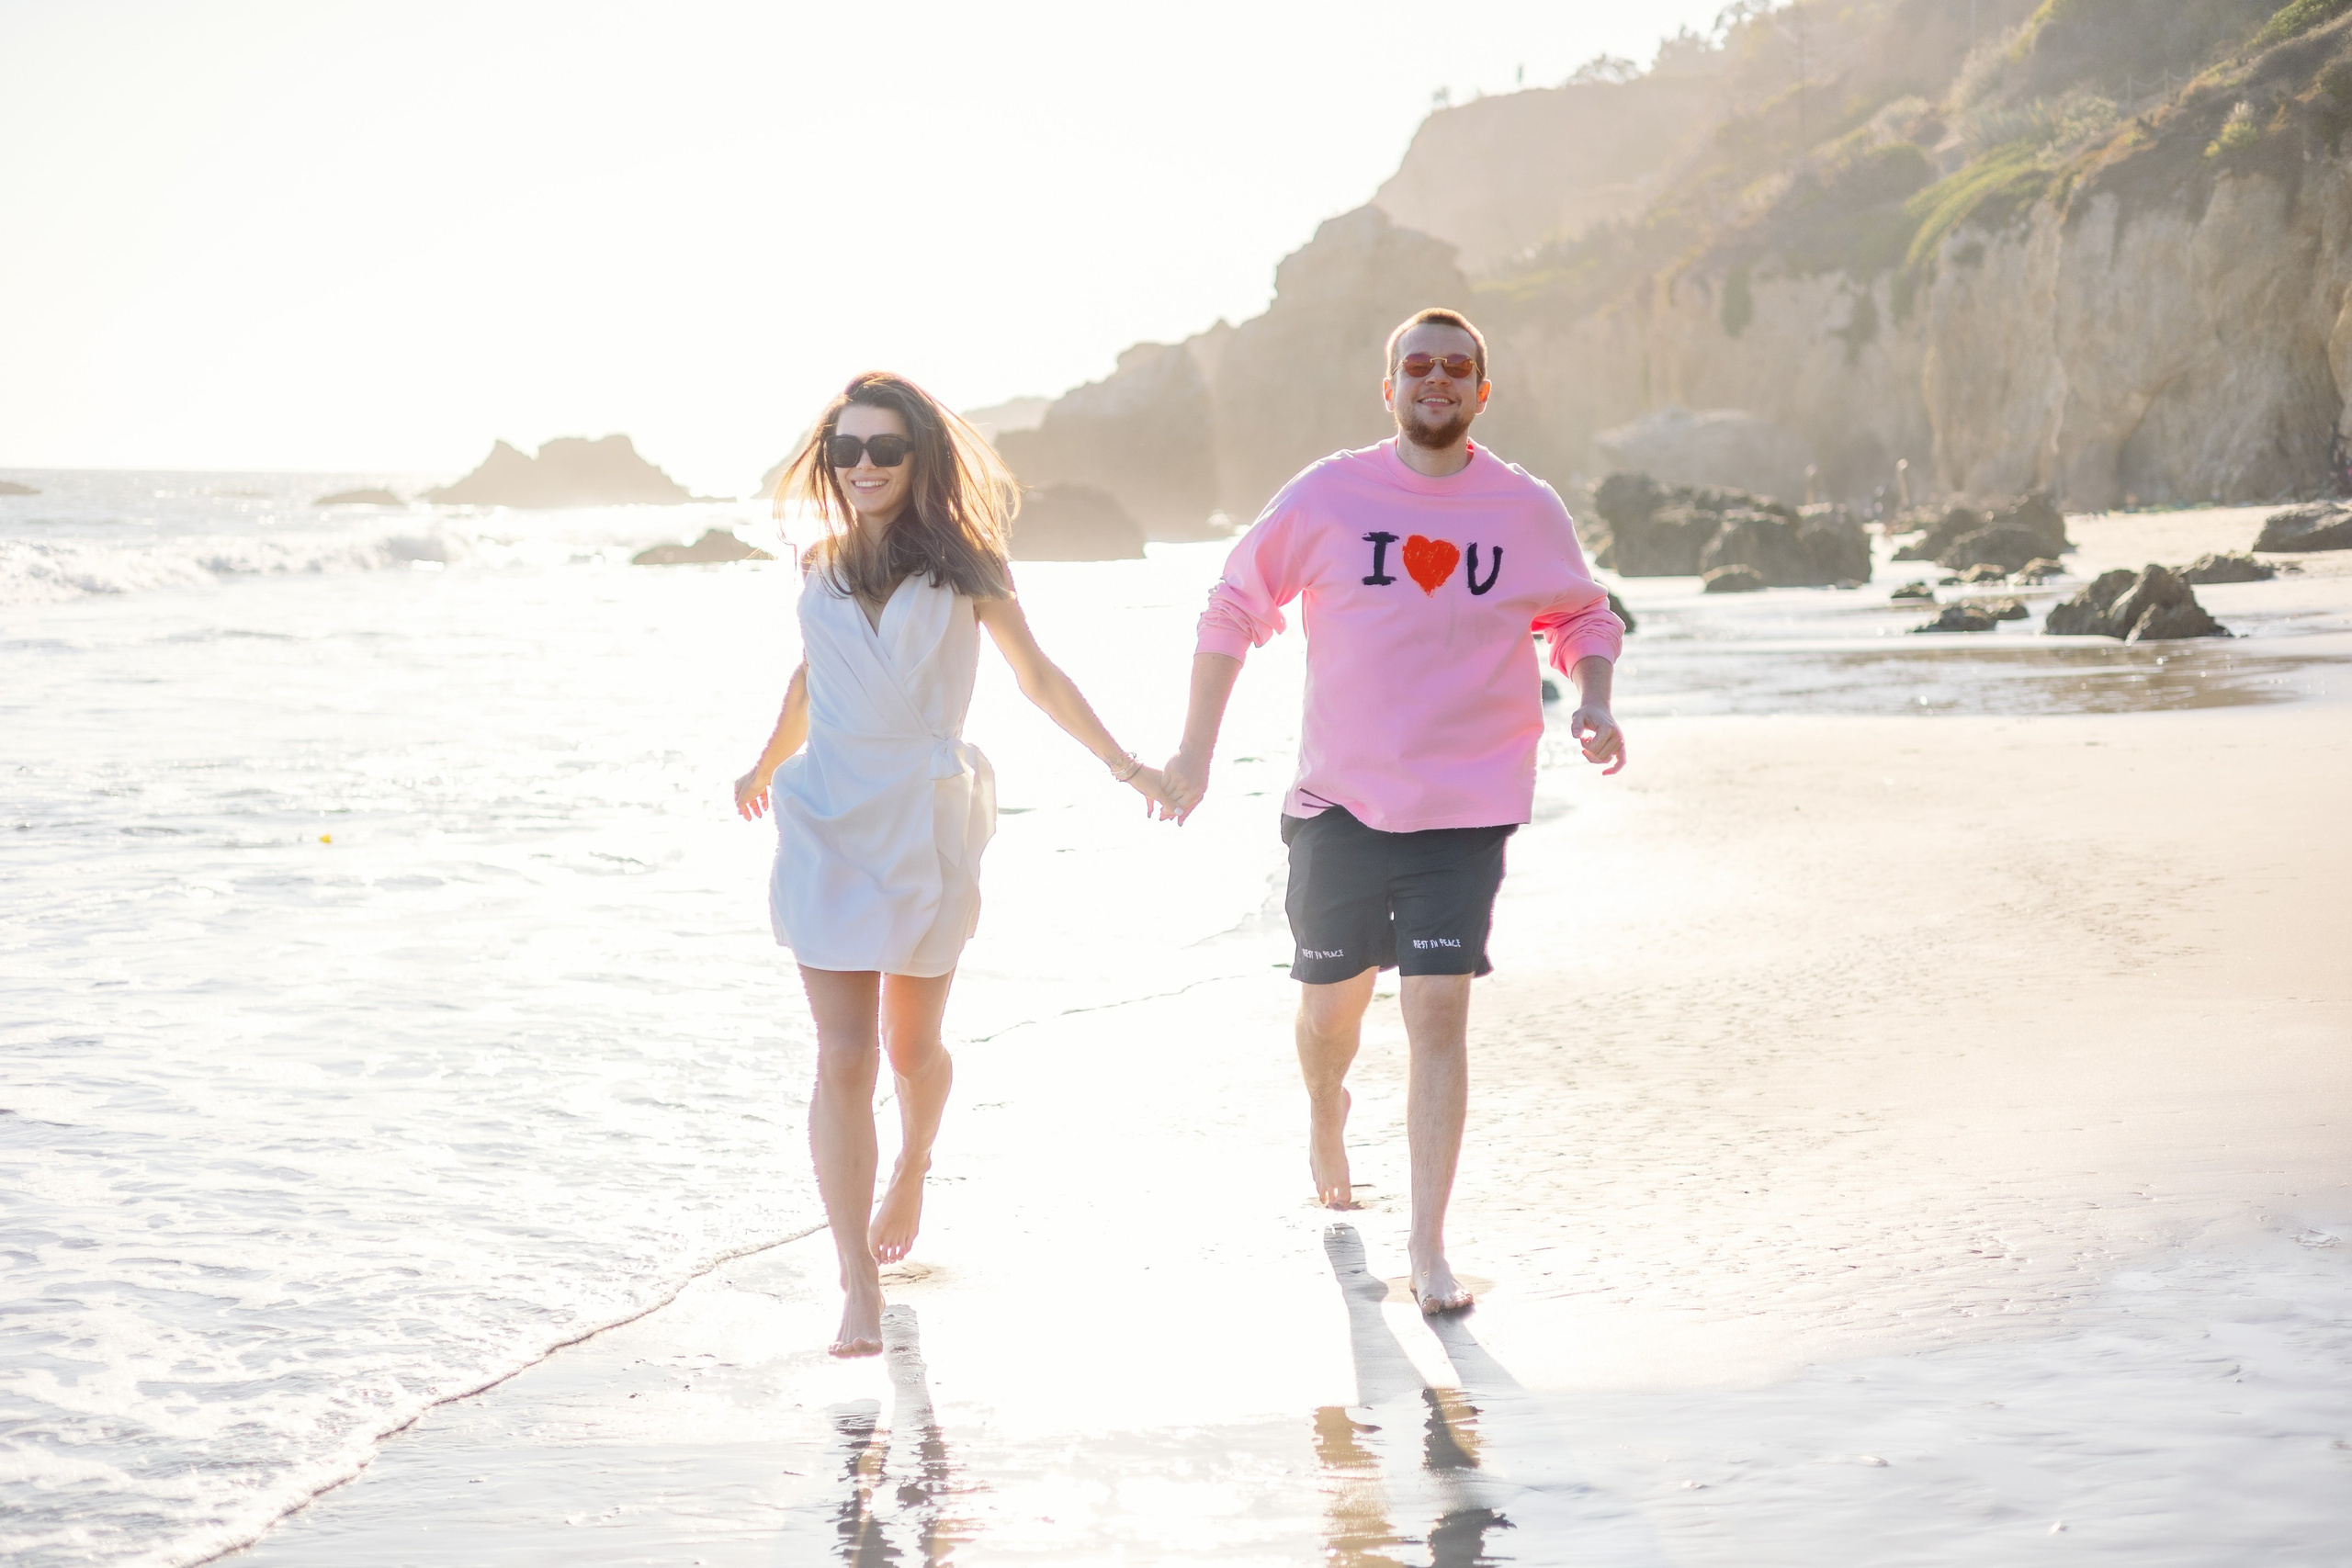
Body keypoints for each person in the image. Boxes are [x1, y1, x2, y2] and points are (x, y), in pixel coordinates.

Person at [1159, 309, 1626, 1314]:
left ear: (1481, 393)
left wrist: (1591, 698)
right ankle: (1326, 1105)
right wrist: (1194, 750)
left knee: (1437, 1007)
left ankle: (1426, 1246)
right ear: (1389, 388)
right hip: (1339, 805)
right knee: (1333, 1009)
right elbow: (1235, 603)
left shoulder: (1522, 507)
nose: (1438, 380)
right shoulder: (1329, 494)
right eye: (1418, 365)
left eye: (1458, 368)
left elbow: (1581, 610)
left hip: (1466, 809)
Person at [736, 371, 1174, 1357]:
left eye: (884, 449)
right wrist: (764, 765)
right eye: (846, 450)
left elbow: (1037, 677)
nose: (862, 467)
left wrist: (1125, 764)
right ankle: (854, 1282)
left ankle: (915, 1161)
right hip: (826, 814)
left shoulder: (970, 567)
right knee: (842, 1055)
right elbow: (811, 674)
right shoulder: (816, 561)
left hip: (924, 818)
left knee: (910, 1049)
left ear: (919, 458)